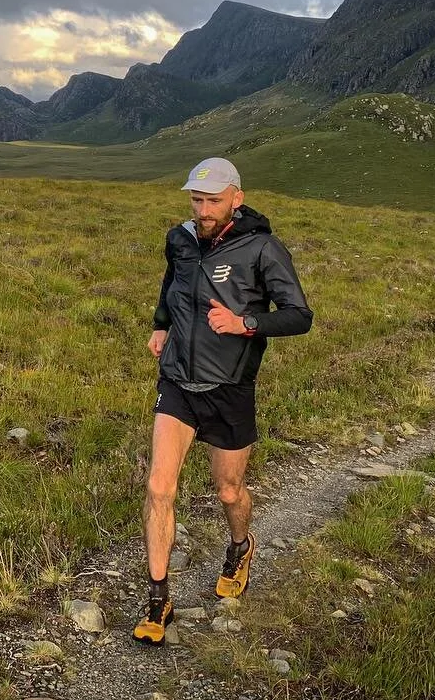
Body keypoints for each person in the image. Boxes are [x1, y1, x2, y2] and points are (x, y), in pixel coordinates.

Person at [133, 157, 313, 645]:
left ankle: (240, 546)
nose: (204, 209)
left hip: (230, 388)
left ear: (237, 196)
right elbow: (173, 284)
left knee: (229, 491)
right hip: (178, 382)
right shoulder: (181, 239)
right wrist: (161, 324)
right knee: (158, 487)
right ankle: (158, 601)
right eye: (197, 199)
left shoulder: (262, 248)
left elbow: (299, 315)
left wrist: (245, 324)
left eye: (213, 200)